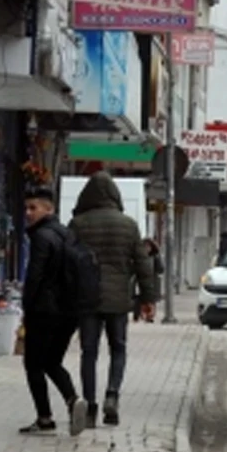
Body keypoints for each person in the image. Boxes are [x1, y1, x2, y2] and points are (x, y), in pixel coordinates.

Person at [69, 171, 157, 427]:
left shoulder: (79, 224)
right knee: (118, 348)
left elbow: (68, 262)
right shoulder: (128, 225)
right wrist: (148, 299)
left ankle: (90, 406)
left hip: (88, 299)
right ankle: (112, 395)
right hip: (118, 298)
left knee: (89, 352)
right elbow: (143, 265)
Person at [19, 188, 88, 437]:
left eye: (33, 208)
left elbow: (35, 276)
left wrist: (26, 307)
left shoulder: (42, 237)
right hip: (70, 312)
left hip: (44, 311)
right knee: (51, 361)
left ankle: (44, 417)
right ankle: (72, 399)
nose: (28, 213)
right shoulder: (68, 234)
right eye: (26, 208)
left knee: (33, 364)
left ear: (49, 209)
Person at [134, 239, 163, 323]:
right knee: (140, 298)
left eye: (148, 246)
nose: (146, 248)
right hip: (141, 280)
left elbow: (160, 269)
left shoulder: (155, 257)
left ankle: (149, 316)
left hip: (152, 281)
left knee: (151, 299)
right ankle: (138, 315)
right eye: (145, 246)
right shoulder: (139, 256)